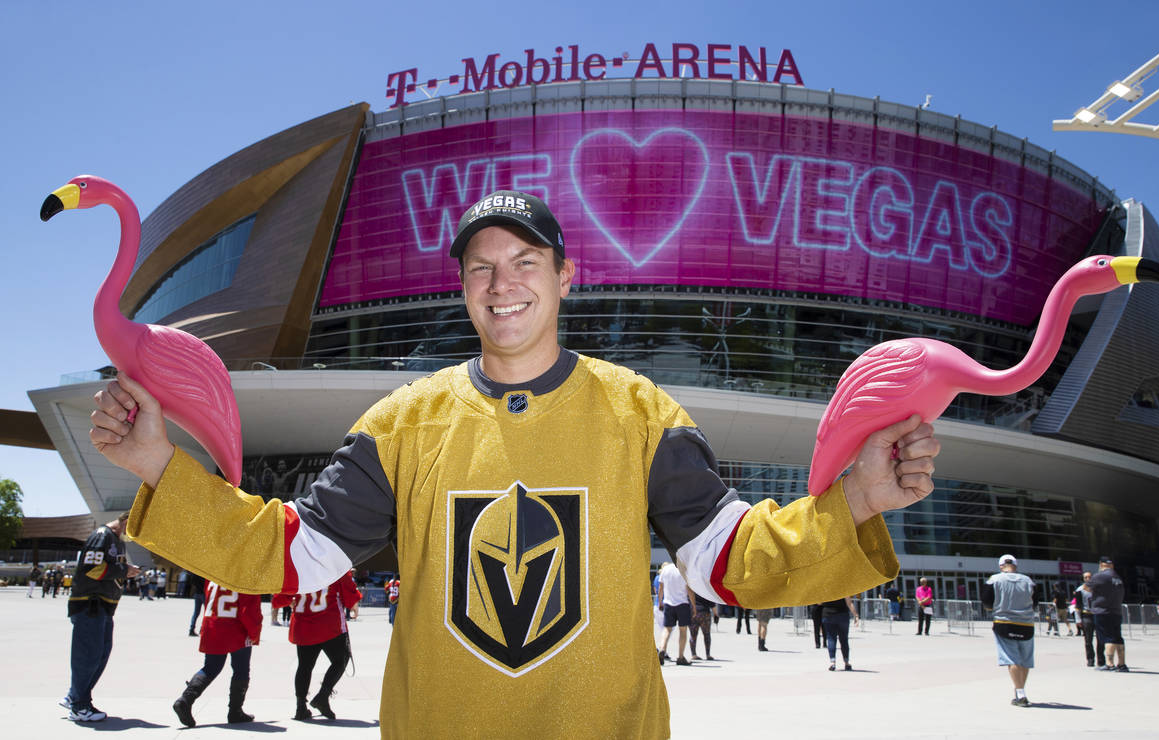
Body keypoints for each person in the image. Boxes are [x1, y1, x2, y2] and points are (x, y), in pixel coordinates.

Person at [88, 189, 941, 738]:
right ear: (462, 290)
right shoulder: (402, 423)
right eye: (481, 269)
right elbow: (293, 555)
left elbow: (726, 565)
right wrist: (162, 463)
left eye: (526, 262)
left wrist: (858, 498)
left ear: (567, 276)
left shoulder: (639, 412)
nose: (504, 284)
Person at [60, 513, 140, 722]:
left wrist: (125, 571)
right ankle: (79, 705)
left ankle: (76, 695)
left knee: (100, 654)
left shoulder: (117, 541)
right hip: (90, 604)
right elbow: (91, 569)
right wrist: (124, 570)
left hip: (103, 606)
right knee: (88, 656)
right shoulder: (102, 536)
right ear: (126, 521)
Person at [172, 580, 263, 726]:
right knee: (241, 670)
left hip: (212, 624)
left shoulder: (213, 575)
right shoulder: (246, 576)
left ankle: (185, 700)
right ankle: (235, 711)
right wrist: (255, 633)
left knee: (210, 668)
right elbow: (249, 610)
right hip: (236, 629)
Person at [278, 571, 361, 720]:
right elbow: (347, 585)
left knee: (304, 666)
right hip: (329, 623)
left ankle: (300, 707)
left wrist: (288, 599)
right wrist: (354, 603)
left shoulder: (298, 565)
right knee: (341, 659)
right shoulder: (333, 564)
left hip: (304, 623)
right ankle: (323, 695)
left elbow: (282, 594)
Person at [983, 554, 1036, 707]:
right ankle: (1021, 690)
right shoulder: (1028, 581)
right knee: (1025, 659)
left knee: (1012, 659)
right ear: (1015, 565)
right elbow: (1036, 601)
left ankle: (1020, 694)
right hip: (1026, 624)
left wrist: (993, 608)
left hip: (1004, 623)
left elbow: (986, 600)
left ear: (1001, 566)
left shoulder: (995, 579)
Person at [1085, 556, 1127, 672]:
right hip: (1116, 611)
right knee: (1118, 638)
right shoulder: (1117, 577)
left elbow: (1086, 587)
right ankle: (1122, 664)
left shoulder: (1100, 576)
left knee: (1108, 638)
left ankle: (1109, 664)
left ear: (1101, 564)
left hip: (1103, 611)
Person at [657, 561, 694, 665]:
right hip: (682, 604)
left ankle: (662, 649)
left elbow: (661, 588)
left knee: (667, 629)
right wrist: (694, 606)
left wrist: (660, 602)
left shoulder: (665, 569)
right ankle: (680, 657)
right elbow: (689, 590)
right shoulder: (684, 570)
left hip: (668, 603)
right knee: (683, 630)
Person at [820, 594, 859, 671]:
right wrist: (856, 615)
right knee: (844, 639)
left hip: (828, 615)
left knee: (831, 638)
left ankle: (832, 662)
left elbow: (819, 602)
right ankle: (846, 663)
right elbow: (849, 603)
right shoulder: (843, 587)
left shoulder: (825, 588)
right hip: (842, 615)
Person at [1074, 571, 1103, 667]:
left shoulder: (1098, 589)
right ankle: (1090, 659)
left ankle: (1101, 660)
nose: (1088, 579)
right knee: (1088, 640)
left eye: (1089, 577)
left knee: (1100, 639)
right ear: (1083, 579)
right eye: (1086, 577)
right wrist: (1078, 620)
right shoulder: (1080, 590)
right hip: (1086, 616)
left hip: (1097, 615)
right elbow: (1077, 606)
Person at [688, 587, 715, 661]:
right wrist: (716, 614)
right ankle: (708, 654)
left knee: (693, 635)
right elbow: (712, 604)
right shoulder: (705, 589)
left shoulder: (691, 588)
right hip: (704, 613)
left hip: (693, 613)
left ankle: (693, 654)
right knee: (706, 634)